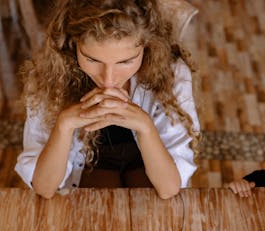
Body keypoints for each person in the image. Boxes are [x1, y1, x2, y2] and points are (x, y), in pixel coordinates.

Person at [15, 0, 200, 200]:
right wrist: (64, 126)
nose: (109, 80)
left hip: (149, 163)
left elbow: (168, 188)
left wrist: (145, 127)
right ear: (72, 43)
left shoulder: (174, 74)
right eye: (92, 60)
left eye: (126, 61)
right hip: (91, 162)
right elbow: (44, 187)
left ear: (147, 46)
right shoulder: (47, 77)